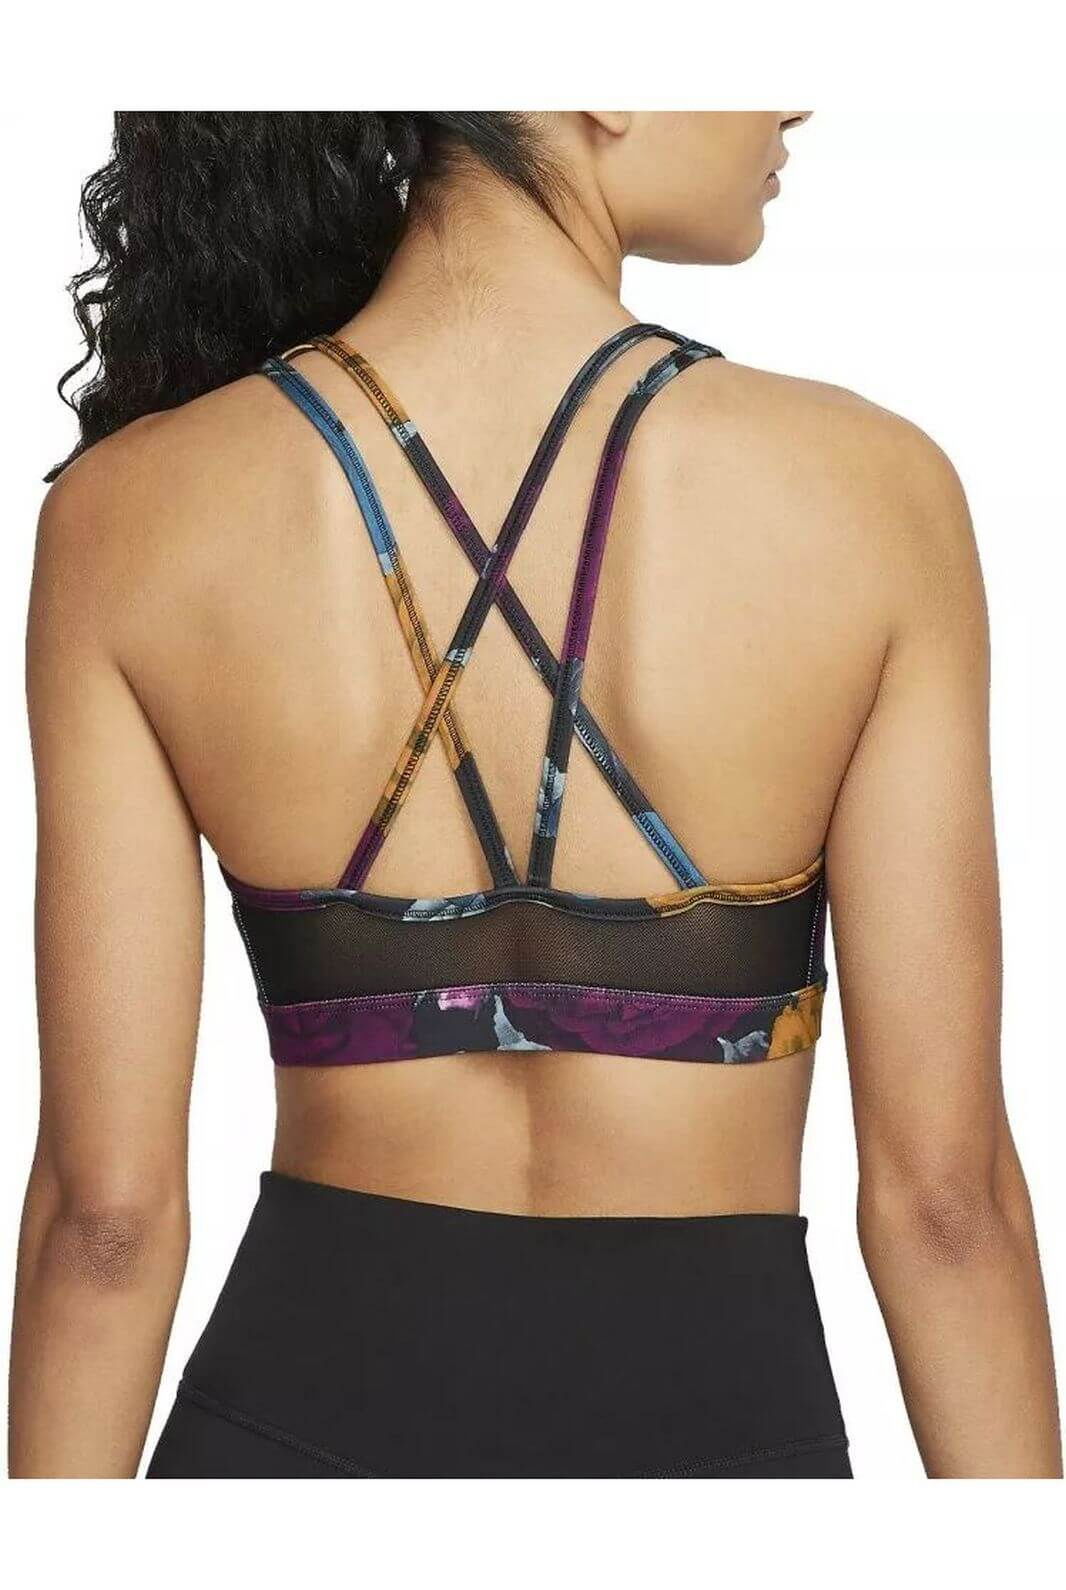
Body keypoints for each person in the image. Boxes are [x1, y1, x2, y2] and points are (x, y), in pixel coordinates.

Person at [10, 111, 1059, 1479]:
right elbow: (943, 1207)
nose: (790, 97)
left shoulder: (126, 516)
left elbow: (104, 1222)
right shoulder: (873, 495)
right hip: (723, 1453)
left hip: (283, 1443)